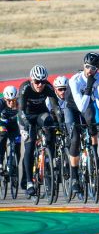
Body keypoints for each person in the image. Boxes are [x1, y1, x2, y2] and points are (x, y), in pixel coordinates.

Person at [65, 52, 99, 194]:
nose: (90, 70)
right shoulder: (74, 80)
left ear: (97, 69)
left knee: (91, 120)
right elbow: (81, 106)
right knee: (75, 138)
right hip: (72, 107)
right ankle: (75, 177)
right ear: (83, 65)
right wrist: (89, 86)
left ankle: (94, 154)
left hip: (86, 104)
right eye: (87, 66)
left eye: (93, 68)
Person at [18, 65, 62, 196]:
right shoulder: (24, 88)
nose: (40, 85)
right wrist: (26, 125)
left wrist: (60, 124)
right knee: (30, 146)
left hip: (41, 114)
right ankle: (29, 182)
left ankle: (48, 155)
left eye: (42, 81)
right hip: (26, 116)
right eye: (37, 81)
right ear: (32, 80)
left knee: (50, 123)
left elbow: (56, 107)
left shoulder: (48, 87)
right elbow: (20, 111)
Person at [0, 86, 21, 177]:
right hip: (2, 124)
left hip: (13, 126)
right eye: (9, 101)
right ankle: (0, 163)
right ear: (5, 99)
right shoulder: (1, 103)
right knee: (2, 137)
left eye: (14, 100)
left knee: (17, 146)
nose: (12, 103)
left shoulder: (20, 103)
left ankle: (12, 163)